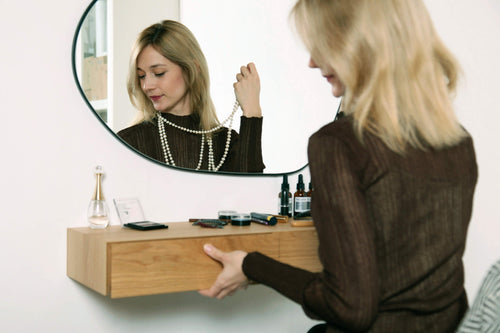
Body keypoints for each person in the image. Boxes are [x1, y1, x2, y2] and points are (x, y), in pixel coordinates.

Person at [199, 0, 478, 332]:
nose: (313, 61)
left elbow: (350, 306)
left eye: (323, 45)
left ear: (362, 44)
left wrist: (251, 265)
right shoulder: (458, 140)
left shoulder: (338, 144)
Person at [118, 20, 265, 173]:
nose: (146, 85)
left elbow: (252, 192)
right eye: (141, 76)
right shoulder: (128, 144)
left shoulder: (225, 143)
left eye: (159, 73)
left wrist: (252, 112)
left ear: (192, 70)